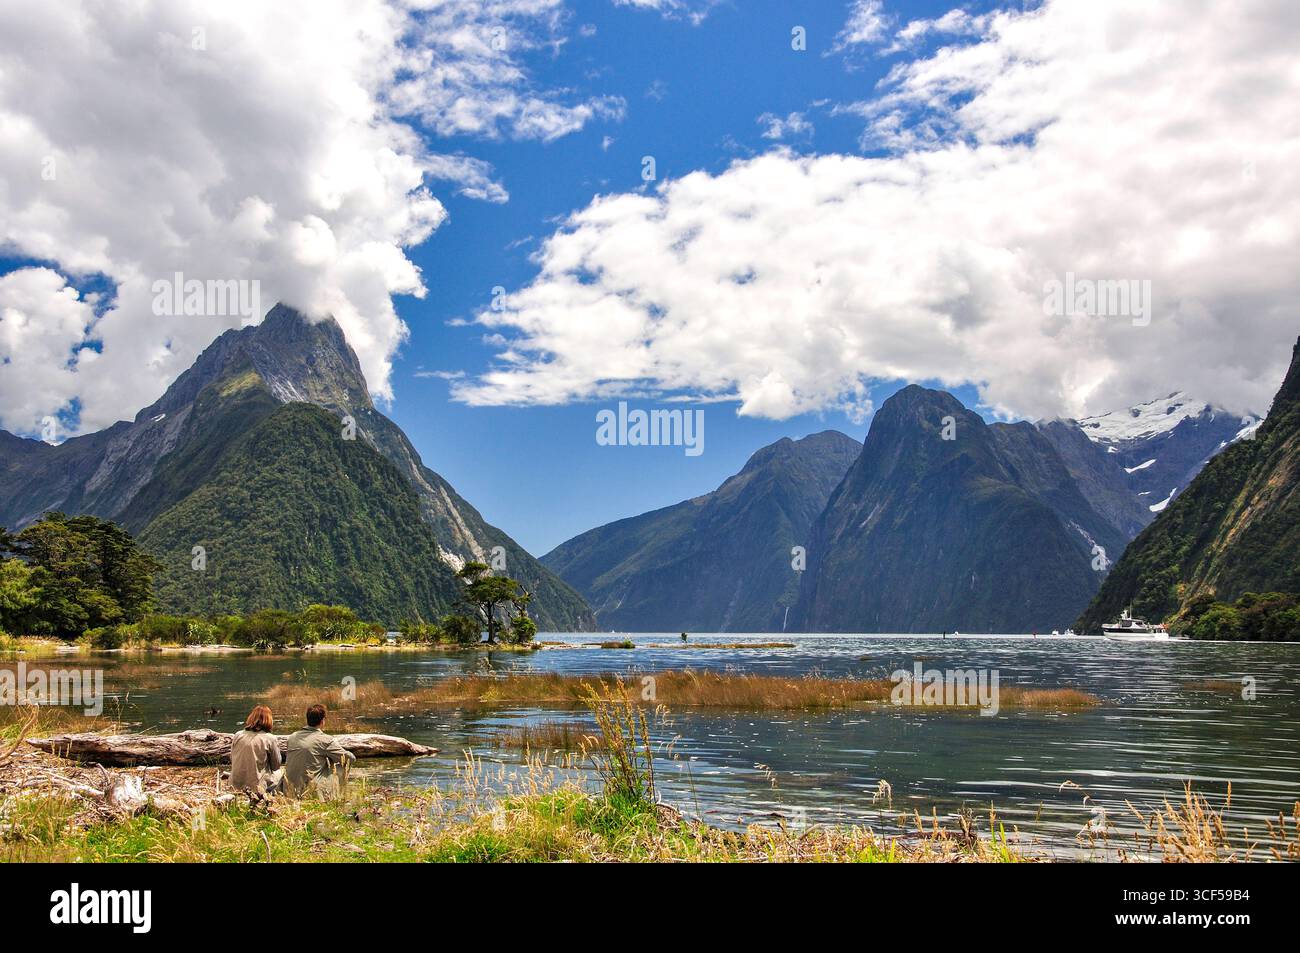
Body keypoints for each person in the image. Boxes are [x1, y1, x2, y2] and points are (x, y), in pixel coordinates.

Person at [283, 704, 355, 799]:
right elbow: (351, 759)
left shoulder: (292, 737)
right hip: (310, 790)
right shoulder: (325, 739)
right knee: (341, 765)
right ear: (322, 721)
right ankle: (333, 796)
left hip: (288, 789)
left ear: (308, 719)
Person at [229, 705, 282, 800]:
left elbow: (232, 758)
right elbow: (276, 766)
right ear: (269, 720)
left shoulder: (238, 735)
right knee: (279, 773)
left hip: (234, 785)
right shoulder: (270, 738)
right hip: (257, 787)